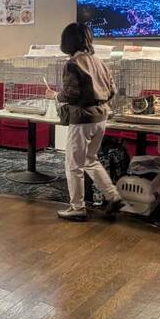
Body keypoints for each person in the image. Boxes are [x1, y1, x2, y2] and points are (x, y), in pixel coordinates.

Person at [49, 22, 124, 221]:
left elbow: (71, 94)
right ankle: (113, 195)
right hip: (101, 117)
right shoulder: (99, 61)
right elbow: (113, 90)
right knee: (90, 159)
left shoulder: (73, 64)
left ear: (67, 41)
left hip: (82, 119)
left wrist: (55, 95)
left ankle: (77, 207)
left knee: (73, 164)